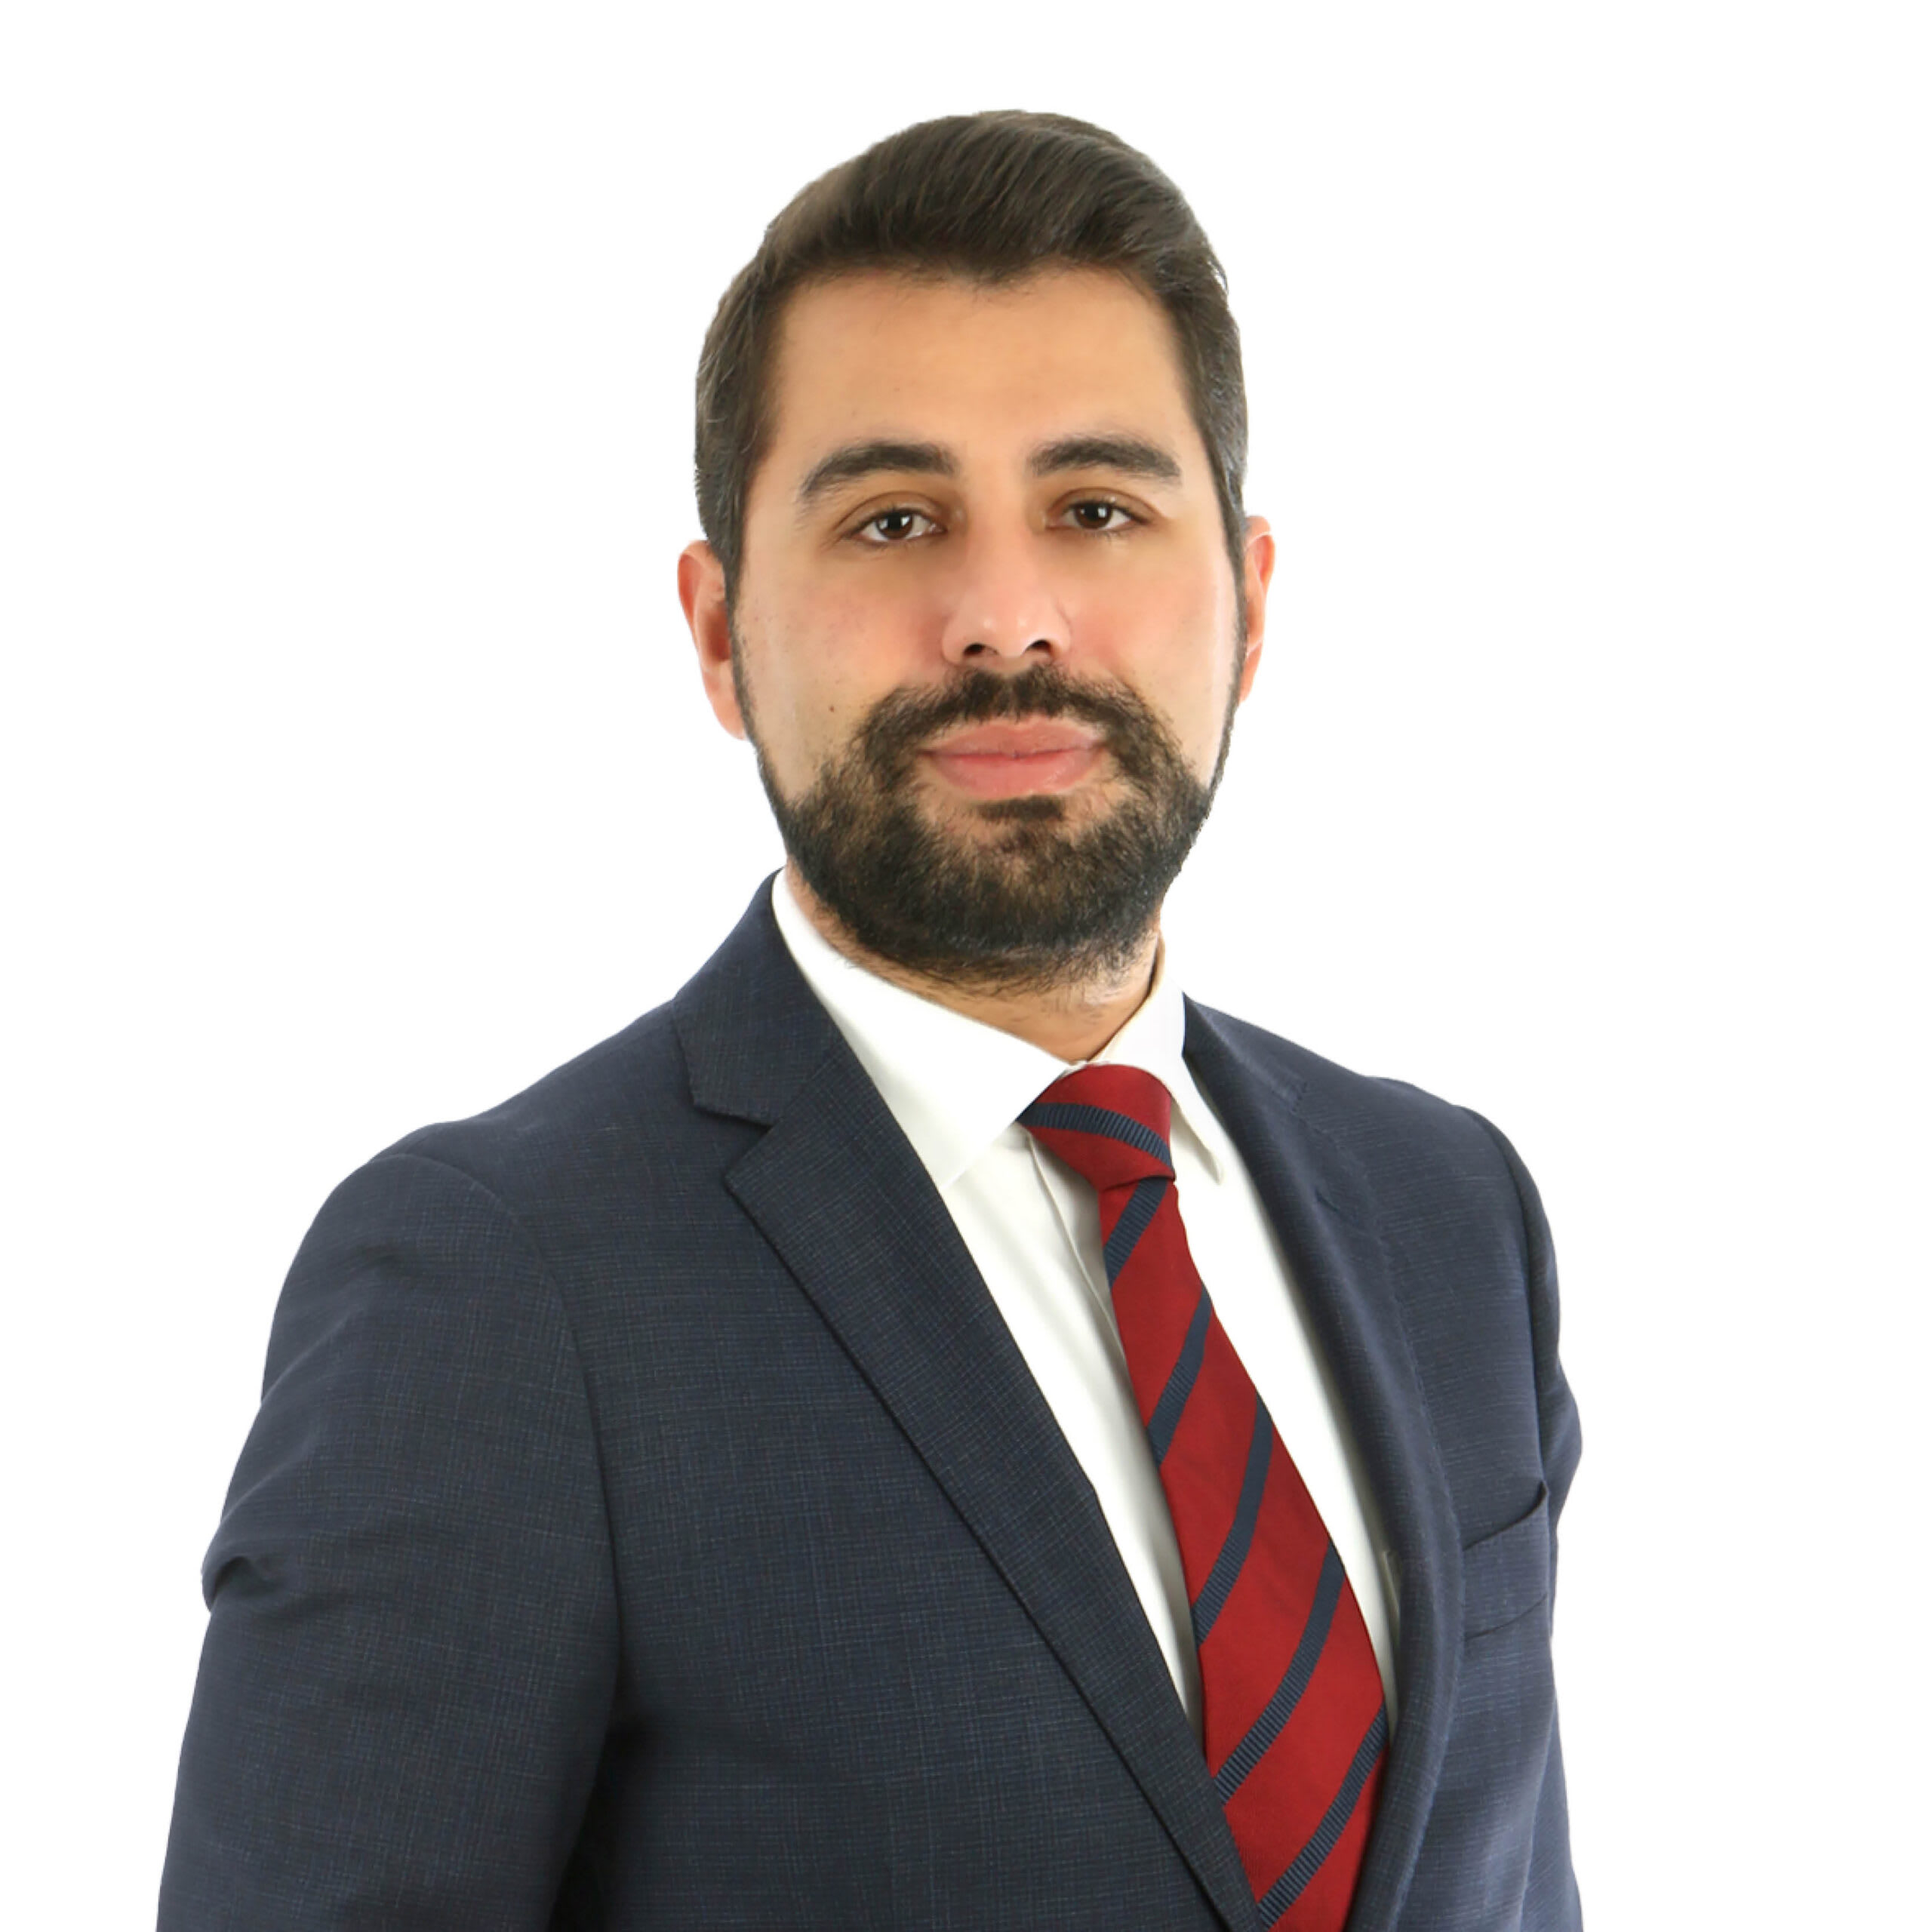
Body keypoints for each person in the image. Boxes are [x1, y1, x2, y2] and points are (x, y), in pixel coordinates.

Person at [159, 111, 1582, 1931]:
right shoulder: (497, 1286)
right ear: (719, 632)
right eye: (892, 519)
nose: (1004, 620)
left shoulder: (1447, 1211)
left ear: (1247, 604)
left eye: (1096, 508)